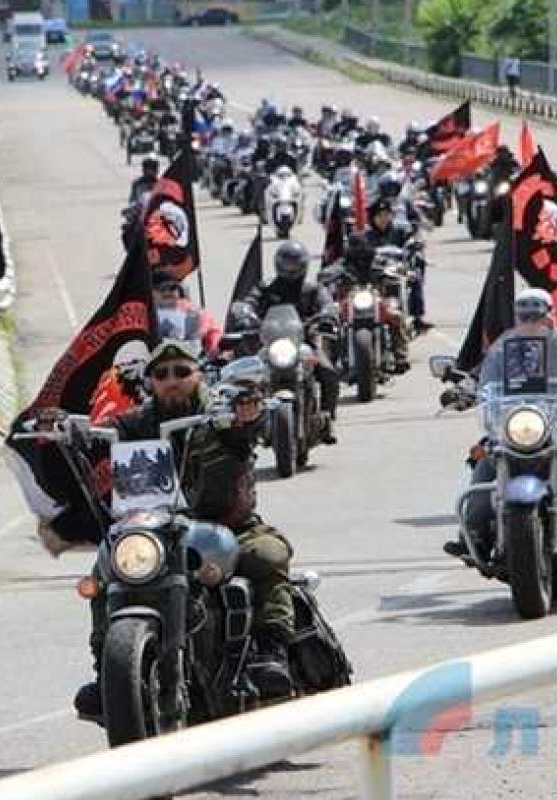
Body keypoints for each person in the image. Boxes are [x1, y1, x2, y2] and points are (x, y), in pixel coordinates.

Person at [73, 340, 299, 720]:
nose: (172, 381)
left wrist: (247, 416)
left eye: (181, 372)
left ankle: (271, 650)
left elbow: (247, 431)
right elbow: (101, 435)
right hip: (156, 531)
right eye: (161, 375)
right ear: (150, 383)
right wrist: (69, 431)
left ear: (198, 376)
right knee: (105, 569)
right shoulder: (136, 423)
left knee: (266, 556)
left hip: (224, 526)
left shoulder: (219, 413)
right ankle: (106, 673)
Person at [444, 289, 557, 561]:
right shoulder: (503, 351)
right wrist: (463, 390)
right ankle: (474, 535)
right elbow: (478, 376)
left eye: (537, 314)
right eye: (524, 316)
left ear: (551, 315)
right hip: (512, 427)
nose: (531, 321)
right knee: (485, 460)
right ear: (516, 319)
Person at [243, 241, 340, 444]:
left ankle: (327, 418)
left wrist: (327, 314)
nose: (291, 268)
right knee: (247, 379)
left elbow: (327, 303)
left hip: (303, 344)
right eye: (287, 263)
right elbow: (249, 301)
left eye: (295, 264)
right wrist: (244, 313)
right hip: (272, 345)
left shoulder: (312, 289)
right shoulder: (267, 287)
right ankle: (249, 424)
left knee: (328, 372)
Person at [342, 231, 410, 372]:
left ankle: (400, 356)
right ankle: (331, 358)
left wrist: (397, 272)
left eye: (362, 247)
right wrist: (326, 276)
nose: (359, 252)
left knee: (396, 316)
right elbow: (328, 273)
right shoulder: (342, 266)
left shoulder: (376, 263)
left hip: (375, 300)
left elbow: (393, 269)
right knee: (330, 322)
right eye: (354, 247)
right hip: (351, 302)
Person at [364, 199, 432, 335]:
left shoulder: (400, 229)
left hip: (399, 269)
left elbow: (413, 240)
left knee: (415, 278)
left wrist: (415, 244)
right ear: (373, 218)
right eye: (379, 216)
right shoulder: (366, 236)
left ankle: (417, 317)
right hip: (377, 273)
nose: (383, 219)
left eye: (386, 215)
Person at [153, 272, 224, 356]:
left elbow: (213, 330)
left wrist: (213, 346)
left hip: (189, 360)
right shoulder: (143, 313)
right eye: (162, 289)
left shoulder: (192, 310)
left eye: (173, 288)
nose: (168, 292)